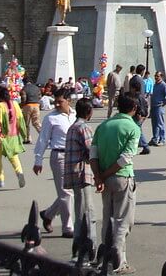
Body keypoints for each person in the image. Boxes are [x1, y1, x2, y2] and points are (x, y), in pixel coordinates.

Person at [89, 93, 142, 275]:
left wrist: (98, 176)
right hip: (122, 178)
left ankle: (104, 256)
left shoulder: (103, 126)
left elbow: (93, 154)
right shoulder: (133, 128)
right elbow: (126, 158)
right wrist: (105, 174)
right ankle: (117, 259)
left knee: (107, 218)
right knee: (123, 221)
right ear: (134, 109)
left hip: (104, 180)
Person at [34, 88, 77, 237]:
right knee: (66, 192)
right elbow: (43, 139)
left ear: (68, 101)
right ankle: (67, 227)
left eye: (60, 102)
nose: (57, 105)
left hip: (75, 156)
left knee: (71, 192)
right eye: (55, 102)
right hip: (59, 155)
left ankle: (48, 214)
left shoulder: (74, 115)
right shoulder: (51, 118)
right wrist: (38, 159)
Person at [64, 98, 98, 247]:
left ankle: (78, 244)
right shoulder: (84, 128)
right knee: (87, 212)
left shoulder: (72, 127)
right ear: (89, 112)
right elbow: (92, 152)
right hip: (83, 172)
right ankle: (89, 245)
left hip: (72, 172)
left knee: (79, 210)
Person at [0, 85, 28, 189]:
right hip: (13, 135)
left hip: (2, 137)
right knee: (14, 157)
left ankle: (0, 179)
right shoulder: (15, 104)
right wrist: (23, 133)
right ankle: (19, 172)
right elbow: (21, 119)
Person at [149, 70, 166, 146]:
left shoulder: (163, 85)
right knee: (154, 124)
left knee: (160, 123)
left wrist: (165, 102)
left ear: (161, 77)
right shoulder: (155, 85)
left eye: (158, 76)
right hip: (153, 106)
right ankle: (155, 138)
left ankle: (162, 139)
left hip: (159, 106)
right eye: (155, 76)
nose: (156, 77)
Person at [21, 76, 43, 143]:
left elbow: (24, 98)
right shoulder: (37, 88)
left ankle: (28, 138)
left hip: (27, 106)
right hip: (36, 105)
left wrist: (21, 105)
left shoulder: (24, 88)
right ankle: (44, 136)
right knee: (36, 123)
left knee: (26, 123)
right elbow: (40, 97)